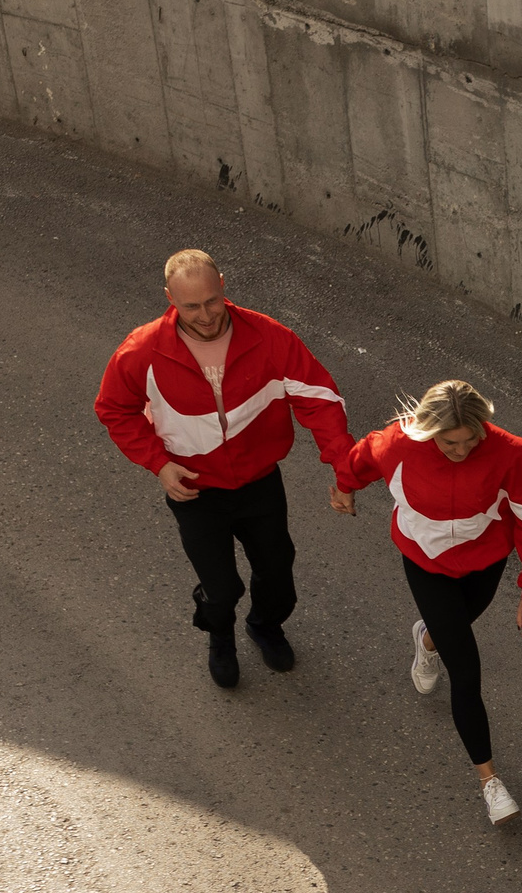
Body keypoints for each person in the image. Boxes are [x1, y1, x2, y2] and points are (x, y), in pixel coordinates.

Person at [93, 249, 354, 688]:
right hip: (194, 489)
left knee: (277, 571)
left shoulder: (271, 337)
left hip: (259, 480)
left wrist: (344, 472)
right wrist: (159, 465)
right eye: (191, 306)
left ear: (223, 285)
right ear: (169, 298)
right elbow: (114, 409)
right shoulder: (142, 350)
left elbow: (320, 400)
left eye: (211, 300)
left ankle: (264, 625)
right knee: (222, 587)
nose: (206, 315)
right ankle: (220, 635)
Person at [332, 380, 522, 824]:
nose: (461, 450)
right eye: (449, 442)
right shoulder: (399, 441)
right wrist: (345, 486)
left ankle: (428, 638)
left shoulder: (514, 453)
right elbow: (361, 458)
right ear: (427, 430)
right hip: (425, 563)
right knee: (466, 669)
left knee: (454, 628)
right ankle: (490, 783)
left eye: (470, 439)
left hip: (485, 562)